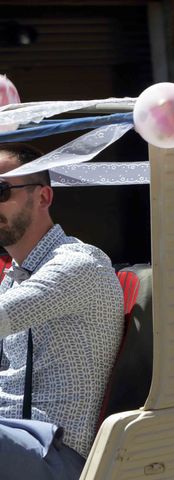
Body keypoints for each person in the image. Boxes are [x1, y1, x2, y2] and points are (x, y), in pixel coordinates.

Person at [0, 143, 124, 479]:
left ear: (43, 198)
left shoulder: (78, 263)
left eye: (1, 190)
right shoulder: (14, 275)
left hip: (57, 452)